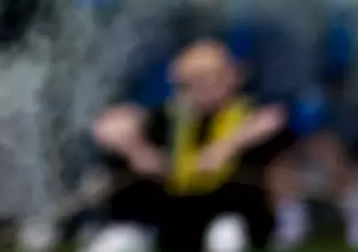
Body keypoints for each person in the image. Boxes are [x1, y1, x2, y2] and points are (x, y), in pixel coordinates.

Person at [88, 39, 290, 252]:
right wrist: (139, 152)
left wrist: (223, 149)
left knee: (226, 236)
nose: (206, 85)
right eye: (194, 79)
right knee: (116, 242)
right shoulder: (170, 116)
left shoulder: (249, 112)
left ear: (233, 75)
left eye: (214, 76)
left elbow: (272, 119)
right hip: (166, 217)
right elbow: (107, 126)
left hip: (228, 213)